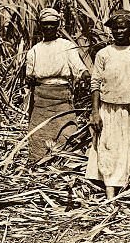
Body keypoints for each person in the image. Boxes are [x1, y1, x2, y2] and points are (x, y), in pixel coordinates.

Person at [86, 10, 130, 200]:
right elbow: (95, 83)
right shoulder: (104, 54)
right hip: (109, 109)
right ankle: (110, 193)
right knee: (109, 148)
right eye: (115, 27)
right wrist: (95, 112)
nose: (119, 30)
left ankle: (126, 191)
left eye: (123, 26)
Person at [24, 8, 89, 164]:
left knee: (67, 131)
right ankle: (39, 164)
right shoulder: (34, 50)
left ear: (58, 25)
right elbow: (29, 77)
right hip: (41, 98)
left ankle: (66, 163)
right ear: (40, 26)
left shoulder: (66, 46)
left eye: (52, 24)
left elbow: (78, 67)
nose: (49, 28)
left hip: (62, 96)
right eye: (45, 24)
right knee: (39, 134)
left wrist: (87, 76)